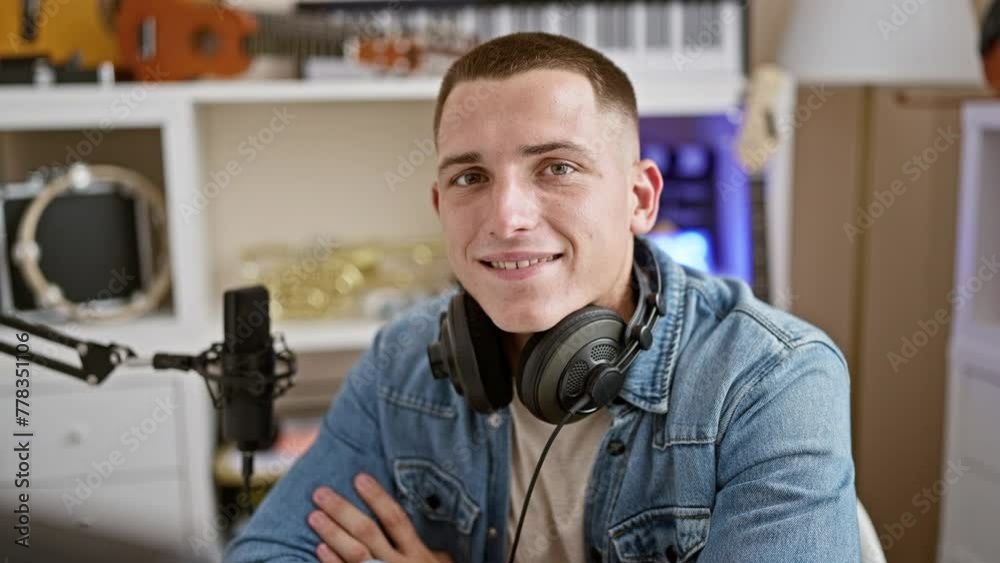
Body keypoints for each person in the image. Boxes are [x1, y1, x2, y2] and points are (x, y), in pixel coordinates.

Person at [224, 32, 860, 563]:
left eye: (556, 167)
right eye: (471, 177)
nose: (507, 217)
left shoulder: (772, 377)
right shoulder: (404, 359)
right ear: (442, 207)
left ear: (640, 199)